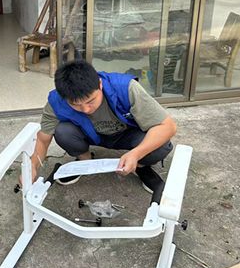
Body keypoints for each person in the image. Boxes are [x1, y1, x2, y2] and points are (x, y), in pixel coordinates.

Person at [29, 60, 177, 203]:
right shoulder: (56, 101)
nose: (86, 109)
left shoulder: (126, 88)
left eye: (90, 101)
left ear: (100, 84)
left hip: (128, 134)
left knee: (161, 145)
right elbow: (43, 139)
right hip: (92, 135)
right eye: (76, 105)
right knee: (62, 132)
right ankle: (84, 160)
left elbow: (167, 126)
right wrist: (32, 166)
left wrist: (136, 154)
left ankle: (140, 166)